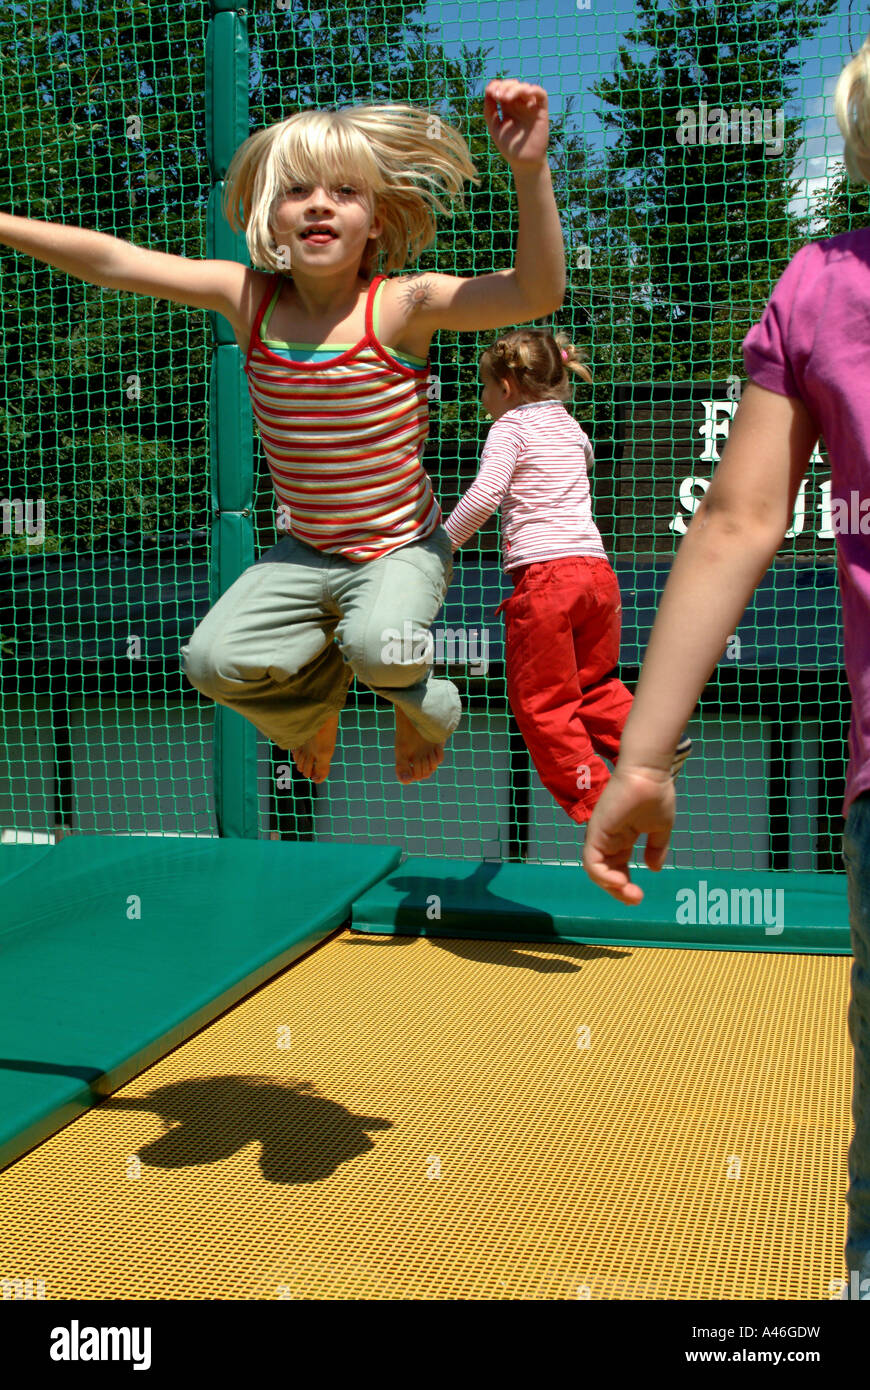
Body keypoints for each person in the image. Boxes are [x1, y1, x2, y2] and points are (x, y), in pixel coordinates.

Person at [0, 79, 565, 786]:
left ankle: (429, 704)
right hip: (302, 551)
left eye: (344, 193)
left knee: (379, 648)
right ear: (273, 217)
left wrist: (530, 168)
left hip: (399, 549)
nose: (320, 203)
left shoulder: (401, 307)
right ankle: (314, 710)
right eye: (298, 191)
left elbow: (534, 294)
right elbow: (113, 262)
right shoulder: (247, 298)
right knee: (210, 662)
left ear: (377, 223)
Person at [581, 32, 870, 1302]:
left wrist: (646, 753)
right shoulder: (819, 289)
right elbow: (738, 521)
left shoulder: (821, 285)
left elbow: (741, 520)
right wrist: (641, 747)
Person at [443, 329, 691, 826]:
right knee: (594, 683)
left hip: (547, 580)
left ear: (508, 386)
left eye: (484, 388)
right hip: (598, 577)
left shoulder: (509, 428)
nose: (483, 399)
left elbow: (485, 496)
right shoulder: (573, 430)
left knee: (541, 703)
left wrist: (441, 546)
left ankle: (599, 801)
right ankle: (652, 745)